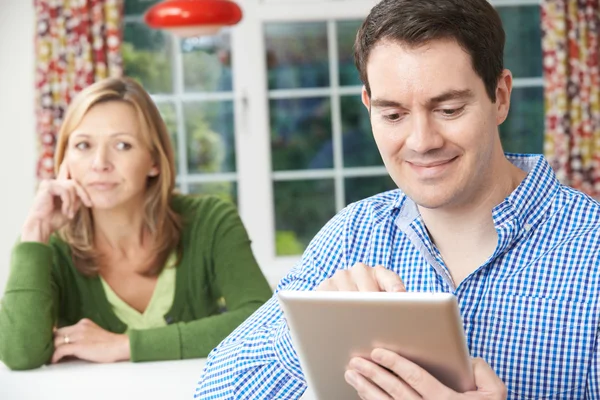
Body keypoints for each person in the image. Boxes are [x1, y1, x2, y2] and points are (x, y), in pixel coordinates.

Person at [195, 0, 600, 398]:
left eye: (449, 109)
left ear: (500, 96)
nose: (422, 142)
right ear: (369, 107)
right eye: (393, 115)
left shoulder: (591, 248)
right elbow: (212, 390)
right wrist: (303, 332)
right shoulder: (350, 235)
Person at [0, 76, 272, 370]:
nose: (100, 163)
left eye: (122, 145)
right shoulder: (49, 243)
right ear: (65, 160)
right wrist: (34, 232)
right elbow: (20, 354)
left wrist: (126, 345)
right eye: (83, 145)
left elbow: (264, 321)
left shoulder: (210, 221)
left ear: (154, 160)